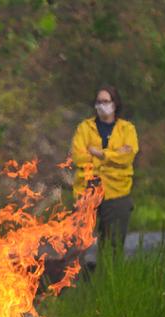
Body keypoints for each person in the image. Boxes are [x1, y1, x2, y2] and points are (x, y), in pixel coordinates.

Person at [70, 85, 138, 251]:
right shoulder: (84, 128)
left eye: (106, 101)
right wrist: (114, 155)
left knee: (112, 244)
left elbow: (128, 156)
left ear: (115, 103)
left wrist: (100, 154)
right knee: (78, 243)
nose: (102, 105)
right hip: (86, 190)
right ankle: (81, 275)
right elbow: (78, 156)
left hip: (117, 191)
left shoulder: (127, 129)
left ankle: (108, 276)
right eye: (98, 102)